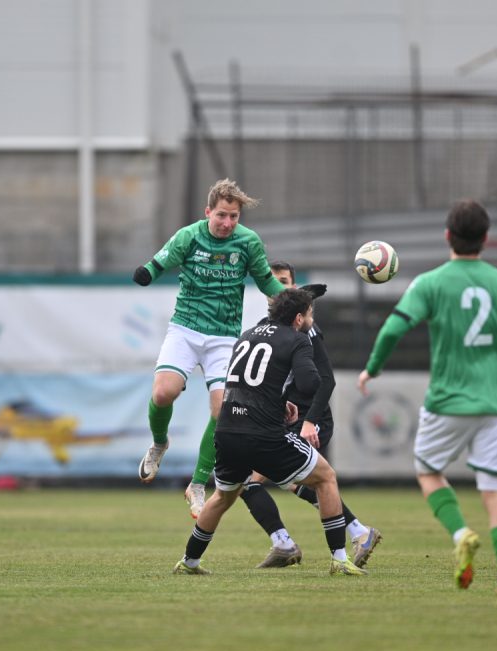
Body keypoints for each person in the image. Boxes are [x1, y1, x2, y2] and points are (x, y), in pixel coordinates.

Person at [357, 199, 497, 606]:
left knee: (427, 472)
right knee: (496, 492)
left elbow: (395, 327)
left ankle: (460, 533)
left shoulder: (431, 283)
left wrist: (372, 368)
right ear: (486, 238)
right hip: (495, 405)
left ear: (447, 236)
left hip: (447, 401)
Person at [173, 288, 366, 576]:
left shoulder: (247, 335)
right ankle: (339, 559)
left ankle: (189, 562)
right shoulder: (298, 339)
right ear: (299, 318)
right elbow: (310, 384)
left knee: (223, 497)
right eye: (311, 314)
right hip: (263, 435)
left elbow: (248, 384)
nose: (311, 319)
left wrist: (279, 403)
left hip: (227, 430)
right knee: (326, 477)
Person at [133, 178, 285, 518]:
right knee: (163, 394)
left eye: (234, 216)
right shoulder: (189, 236)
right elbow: (159, 262)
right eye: (221, 215)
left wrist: (291, 299)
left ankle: (198, 484)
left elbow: (265, 280)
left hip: (225, 337)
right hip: (185, 329)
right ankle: (160, 443)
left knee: (223, 411)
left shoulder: (248, 242)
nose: (228, 223)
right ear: (208, 212)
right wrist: (146, 273)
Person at [239, 261, 382, 569]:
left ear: (294, 287)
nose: (278, 287)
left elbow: (325, 379)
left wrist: (309, 421)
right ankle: (357, 531)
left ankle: (285, 543)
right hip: (283, 420)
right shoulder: (271, 325)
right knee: (301, 485)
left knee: (246, 479)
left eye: (285, 282)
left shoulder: (305, 326)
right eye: (272, 282)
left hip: (307, 420)